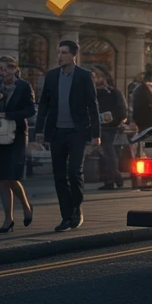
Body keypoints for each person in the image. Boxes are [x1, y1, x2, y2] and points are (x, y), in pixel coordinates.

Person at [35, 40, 100, 231]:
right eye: (58, 52)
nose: (59, 56)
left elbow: (92, 106)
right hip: (57, 131)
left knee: (74, 171)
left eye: (63, 53)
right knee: (59, 175)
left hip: (77, 131)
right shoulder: (52, 76)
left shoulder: (83, 76)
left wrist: (96, 134)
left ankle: (76, 208)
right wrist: (40, 130)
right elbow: (44, 104)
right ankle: (66, 215)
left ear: (74, 56)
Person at [0, 56, 35, 233]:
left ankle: (27, 207)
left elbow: (30, 110)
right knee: (1, 179)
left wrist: (10, 114)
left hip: (17, 135)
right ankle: (8, 219)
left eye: (4, 69)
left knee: (13, 176)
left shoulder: (24, 86)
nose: (1, 72)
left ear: (14, 69)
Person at [93, 69, 128, 191]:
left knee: (108, 153)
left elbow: (122, 110)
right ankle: (110, 179)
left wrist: (117, 121)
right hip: (102, 127)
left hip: (110, 128)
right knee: (106, 154)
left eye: (96, 77)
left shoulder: (112, 92)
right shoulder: (94, 93)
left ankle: (114, 178)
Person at [130, 68, 152, 191]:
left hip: (151, 126)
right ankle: (147, 181)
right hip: (147, 127)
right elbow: (139, 109)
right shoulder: (141, 90)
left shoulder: (149, 89)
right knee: (148, 154)